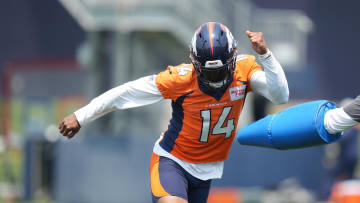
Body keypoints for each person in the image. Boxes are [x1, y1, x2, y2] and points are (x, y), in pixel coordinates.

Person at [58, 22, 289, 203]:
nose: (215, 79)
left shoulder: (244, 70)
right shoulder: (179, 79)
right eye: (208, 73)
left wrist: (266, 56)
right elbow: (125, 93)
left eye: (219, 72)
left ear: (233, 59)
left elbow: (280, 96)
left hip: (206, 171)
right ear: (194, 63)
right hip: (172, 161)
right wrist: (81, 116)